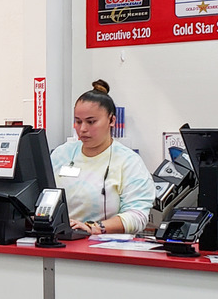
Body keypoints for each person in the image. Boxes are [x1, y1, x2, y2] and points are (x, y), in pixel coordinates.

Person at [51, 80, 154, 235]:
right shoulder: (61, 154)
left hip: (107, 250)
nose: (83, 129)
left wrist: (93, 227)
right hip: (61, 243)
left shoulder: (129, 162)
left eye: (91, 122)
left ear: (112, 120)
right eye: (78, 121)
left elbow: (137, 216)